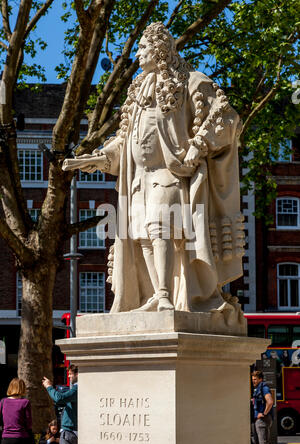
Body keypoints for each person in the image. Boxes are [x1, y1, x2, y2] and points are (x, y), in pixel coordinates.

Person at [62, 22, 245, 317]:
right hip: (138, 179)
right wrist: (94, 159)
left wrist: (199, 144)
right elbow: (124, 141)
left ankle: (164, 296)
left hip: (170, 173)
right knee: (142, 234)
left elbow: (225, 119)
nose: (138, 54)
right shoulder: (137, 91)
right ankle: (156, 293)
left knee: (162, 227)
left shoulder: (192, 82)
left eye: (142, 48)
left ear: (159, 48)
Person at [42, 365, 78, 444]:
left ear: (77, 374)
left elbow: (59, 399)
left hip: (69, 432)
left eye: (70, 374)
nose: (68, 376)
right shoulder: (78, 388)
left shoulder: (77, 389)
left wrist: (49, 387)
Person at [0, 377, 34, 444]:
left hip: (6, 439)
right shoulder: (25, 402)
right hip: (21, 439)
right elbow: (28, 424)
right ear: (22, 388)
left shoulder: (3, 402)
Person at [251, 370, 274, 444]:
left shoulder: (264, 388)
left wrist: (264, 414)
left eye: (255, 379)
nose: (253, 381)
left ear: (260, 379)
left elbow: (270, 402)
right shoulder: (258, 388)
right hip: (260, 419)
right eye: (252, 379)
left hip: (262, 419)